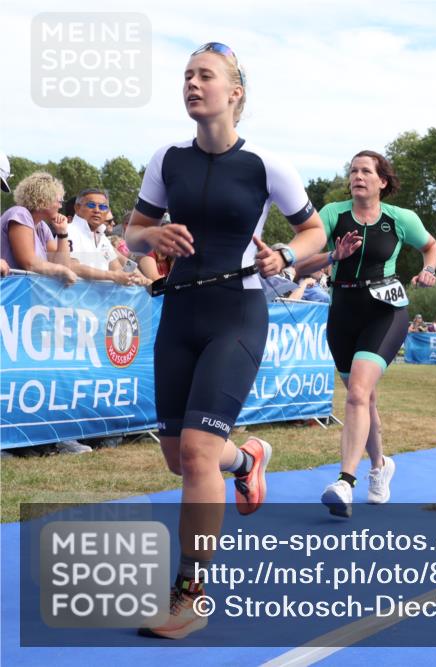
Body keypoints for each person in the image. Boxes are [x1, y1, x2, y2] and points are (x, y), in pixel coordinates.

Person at [124, 42, 328, 640]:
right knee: (179, 457)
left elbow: (313, 229)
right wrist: (152, 234)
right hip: (179, 314)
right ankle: (246, 459)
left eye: (204, 75)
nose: (192, 84)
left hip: (237, 314)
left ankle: (190, 592)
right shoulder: (166, 159)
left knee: (193, 454)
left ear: (234, 93)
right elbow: (132, 234)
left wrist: (287, 254)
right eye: (186, 75)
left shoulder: (266, 165)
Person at [292, 150, 436, 519]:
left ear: (382, 181)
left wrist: (429, 269)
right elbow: (298, 264)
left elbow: (430, 246)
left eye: (366, 171)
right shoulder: (331, 214)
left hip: (385, 310)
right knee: (365, 399)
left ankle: (345, 482)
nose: (357, 176)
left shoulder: (399, 218)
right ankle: (380, 465)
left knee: (357, 394)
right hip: (343, 311)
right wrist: (332, 257)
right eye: (353, 170)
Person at [1, 171, 77, 284]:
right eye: (59, 201)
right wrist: (62, 270)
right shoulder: (20, 214)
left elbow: (62, 265)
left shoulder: (42, 227)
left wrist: (62, 233)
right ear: (43, 200)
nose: (61, 206)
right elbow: (29, 263)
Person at [67, 188, 142, 285]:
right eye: (91, 205)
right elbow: (71, 266)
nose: (97, 210)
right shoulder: (69, 230)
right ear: (77, 208)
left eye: (103, 207)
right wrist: (112, 276)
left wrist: (138, 279)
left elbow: (118, 268)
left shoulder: (102, 237)